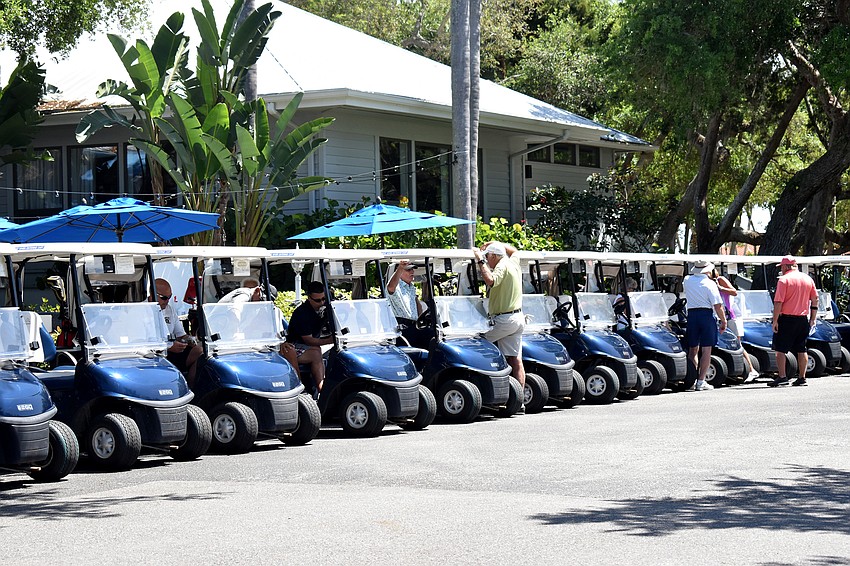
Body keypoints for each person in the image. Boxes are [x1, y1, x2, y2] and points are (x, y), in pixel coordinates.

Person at [473, 241, 526, 391]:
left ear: (495, 256)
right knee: (516, 360)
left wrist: (479, 260)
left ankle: (485, 387)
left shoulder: (501, 265)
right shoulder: (512, 262)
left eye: (488, 257)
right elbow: (515, 250)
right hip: (517, 318)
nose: (487, 260)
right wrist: (494, 243)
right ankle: (519, 399)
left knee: (476, 344)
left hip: (504, 320)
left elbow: (491, 280)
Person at [769, 255, 818, 387]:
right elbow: (815, 300)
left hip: (787, 318)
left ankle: (782, 376)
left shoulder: (783, 280)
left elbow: (778, 302)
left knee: (780, 349)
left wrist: (775, 321)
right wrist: (813, 319)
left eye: (782, 267)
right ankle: (802, 377)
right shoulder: (808, 279)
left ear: (785, 266)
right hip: (803, 319)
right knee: (802, 349)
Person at [683, 260, 727, 391]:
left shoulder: (687, 280)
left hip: (692, 314)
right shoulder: (710, 283)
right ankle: (701, 380)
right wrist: (723, 320)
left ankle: (691, 379)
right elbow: (717, 306)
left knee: (693, 348)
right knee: (707, 349)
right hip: (706, 315)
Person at [710, 269, 759, 382]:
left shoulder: (720, 280)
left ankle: (751, 370)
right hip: (721, 317)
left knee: (737, 343)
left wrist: (720, 288)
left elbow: (734, 292)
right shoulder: (709, 283)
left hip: (732, 316)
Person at [286, 281, 334, 394]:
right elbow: (308, 340)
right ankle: (321, 387)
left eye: (324, 299)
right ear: (309, 298)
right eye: (318, 300)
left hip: (309, 345)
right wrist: (330, 340)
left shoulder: (325, 308)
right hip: (294, 345)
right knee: (316, 352)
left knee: (326, 352)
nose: (322, 303)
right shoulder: (302, 313)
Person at [155, 278, 203, 386]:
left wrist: (190, 340)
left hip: (171, 350)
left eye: (169, 297)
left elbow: (180, 334)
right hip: (153, 354)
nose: (167, 300)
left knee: (201, 351)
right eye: (164, 298)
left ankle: (191, 389)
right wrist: (169, 346)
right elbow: (143, 340)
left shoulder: (169, 309)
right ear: (153, 294)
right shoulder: (142, 311)